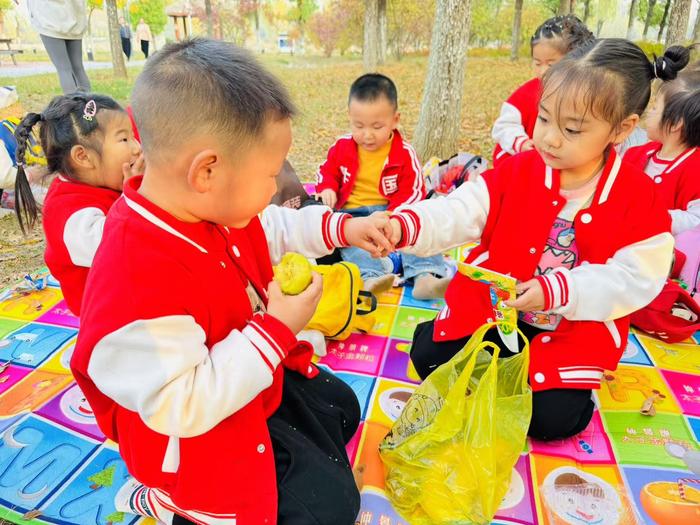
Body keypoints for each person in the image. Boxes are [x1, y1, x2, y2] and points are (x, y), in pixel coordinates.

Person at [71, 39, 392, 525]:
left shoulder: (207, 205)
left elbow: (274, 227)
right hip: (194, 435)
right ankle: (171, 500)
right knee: (331, 509)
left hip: (244, 381)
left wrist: (343, 227)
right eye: (269, 175)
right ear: (207, 172)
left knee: (342, 409)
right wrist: (277, 329)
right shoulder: (136, 276)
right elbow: (185, 404)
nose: (275, 189)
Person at [386, 39, 681, 441]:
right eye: (543, 120)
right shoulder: (520, 170)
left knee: (551, 422)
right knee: (426, 359)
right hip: (495, 313)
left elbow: (637, 277)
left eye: (572, 129)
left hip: (569, 332)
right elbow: (462, 209)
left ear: (622, 129)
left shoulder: (638, 196)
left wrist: (560, 289)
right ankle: (457, 342)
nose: (550, 139)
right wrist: (407, 226)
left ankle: (553, 383)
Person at [316, 73, 450, 299]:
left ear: (395, 120)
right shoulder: (341, 147)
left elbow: (414, 191)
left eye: (377, 126)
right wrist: (328, 187)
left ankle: (425, 278)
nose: (367, 135)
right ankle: (371, 279)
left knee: (420, 230)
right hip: (353, 216)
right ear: (350, 116)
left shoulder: (403, 153)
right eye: (359, 125)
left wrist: (394, 216)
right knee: (354, 245)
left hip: (391, 213)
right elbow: (326, 170)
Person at [13, 94, 142, 315]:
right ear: (83, 157)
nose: (137, 147)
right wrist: (136, 193)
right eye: (124, 139)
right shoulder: (67, 214)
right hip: (108, 315)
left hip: (127, 290)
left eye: (133, 136)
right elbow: (117, 246)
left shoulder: (103, 180)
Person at [491, 15, 594, 167]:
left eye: (551, 65)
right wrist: (520, 143)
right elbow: (503, 126)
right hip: (521, 162)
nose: (542, 71)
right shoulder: (527, 93)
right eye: (537, 63)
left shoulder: (584, 96)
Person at [624, 56, 699, 237]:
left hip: (659, 255)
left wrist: (651, 216)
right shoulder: (635, 154)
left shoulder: (694, 169)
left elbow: (696, 219)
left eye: (656, 107)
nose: (649, 111)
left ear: (675, 124)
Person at [26, 0, 91, 93]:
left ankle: (73, 107)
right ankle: (90, 105)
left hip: (50, 20)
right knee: (78, 68)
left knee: (64, 69)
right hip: (75, 19)